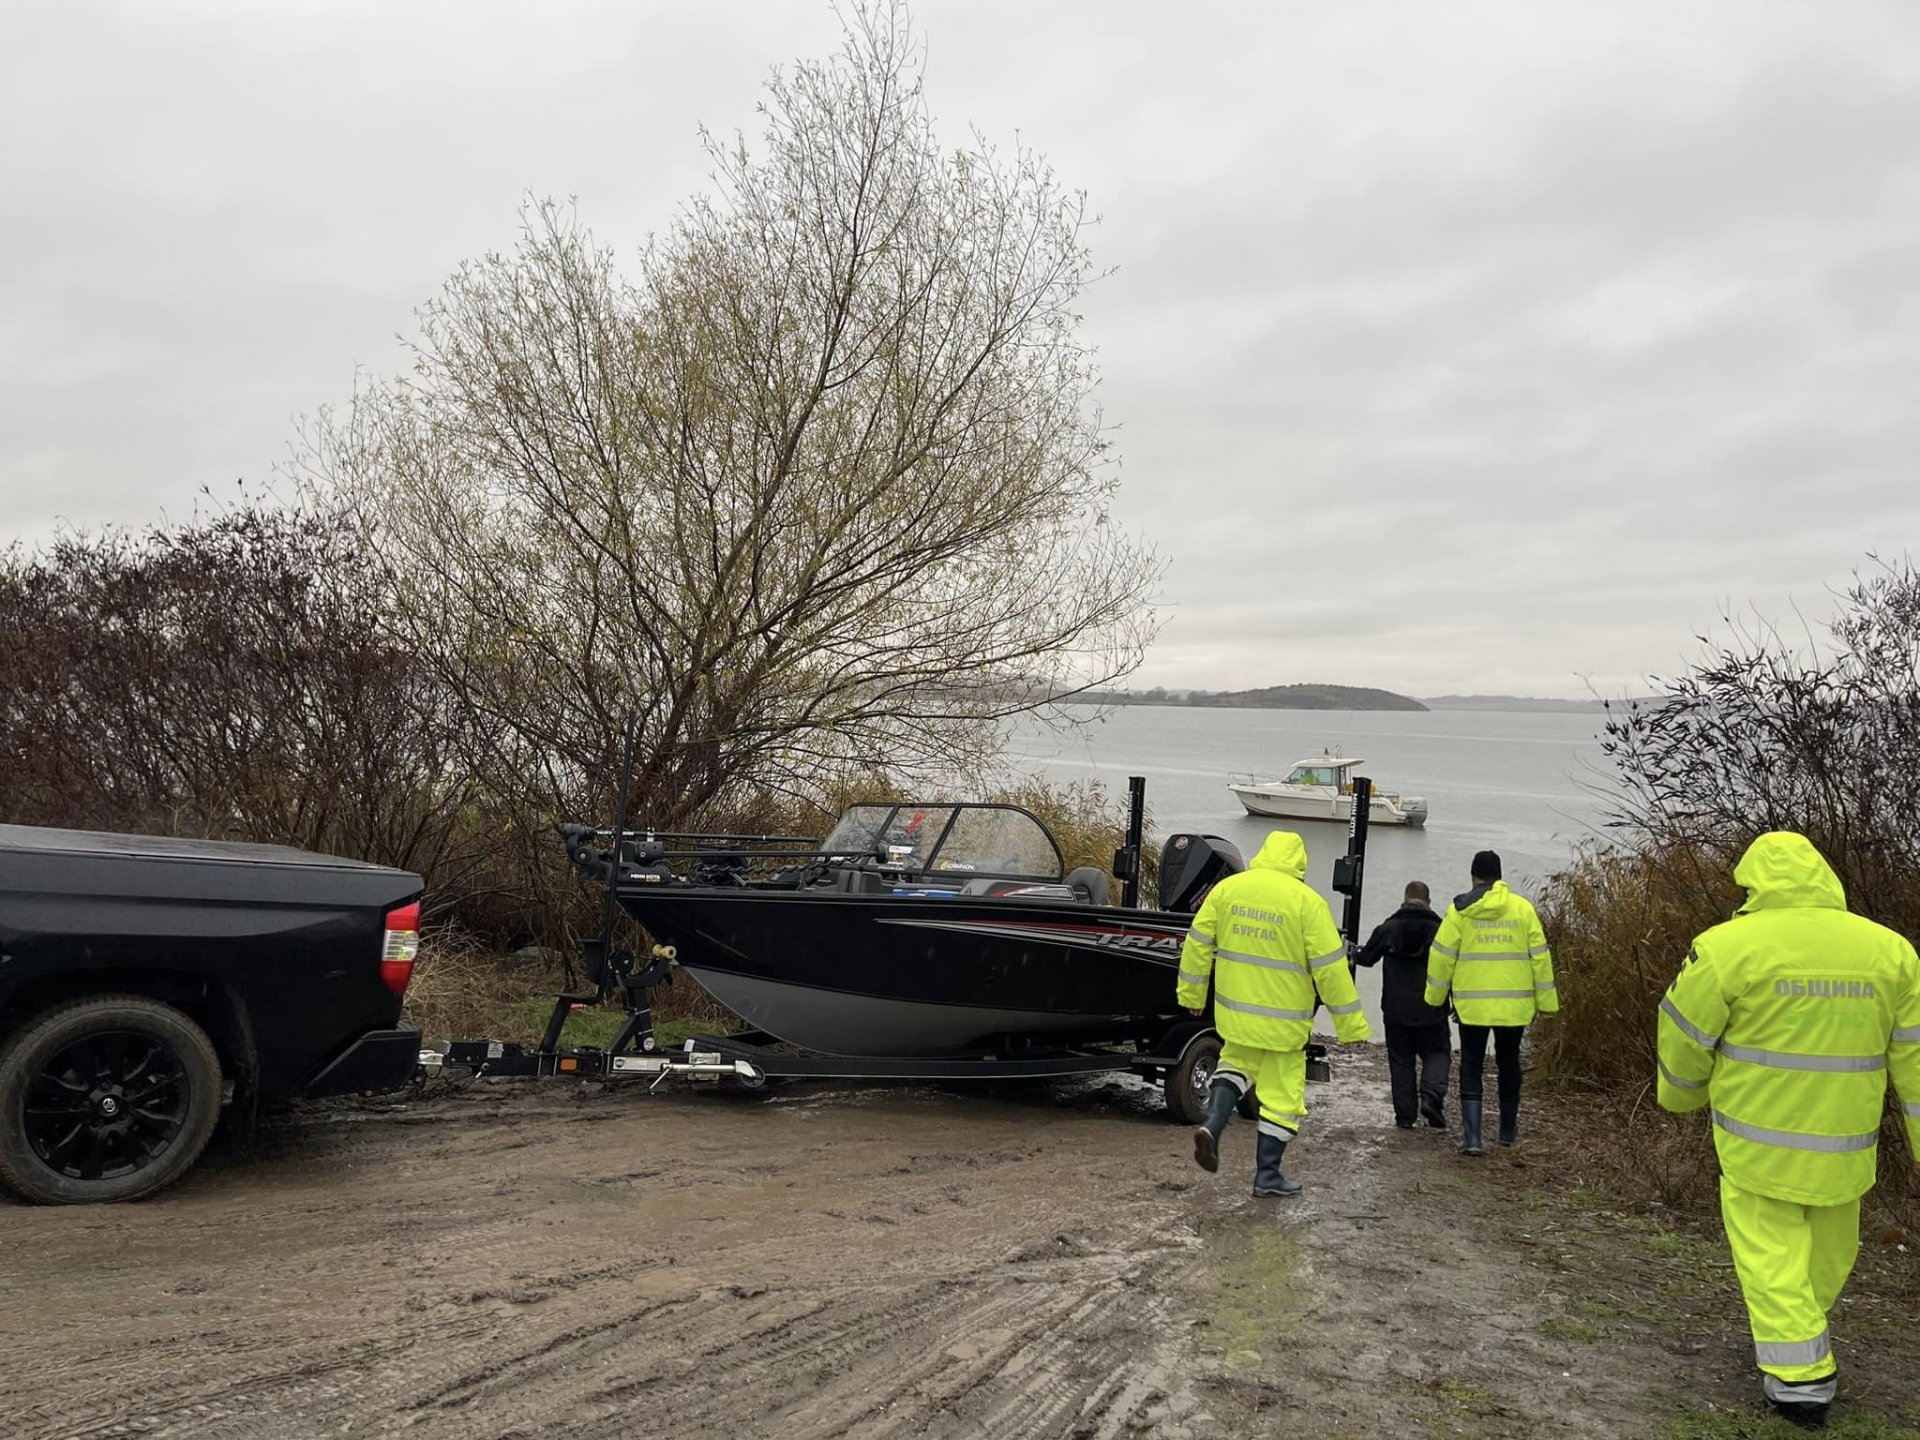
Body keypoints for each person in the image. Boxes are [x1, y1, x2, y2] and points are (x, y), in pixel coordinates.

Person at [1656, 831, 1920, 1429]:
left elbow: (1682, 1030)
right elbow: (1916, 1058)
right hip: (1846, 1147)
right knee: (1828, 1255)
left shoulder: (1726, 948)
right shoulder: (1891, 951)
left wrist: (1680, 1095)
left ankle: (1801, 1378)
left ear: (1753, 883)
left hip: (1758, 1143)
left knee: (1771, 1257)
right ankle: (1796, 1336)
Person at [1177, 830, 1372, 1197]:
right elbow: (1330, 969)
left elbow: (1197, 943)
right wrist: (1350, 1025)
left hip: (1235, 1014)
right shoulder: (1308, 903)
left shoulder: (1228, 890)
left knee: (1233, 1066)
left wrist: (1192, 993)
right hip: (1284, 1024)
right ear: (1300, 866)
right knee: (1283, 1098)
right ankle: (1267, 1175)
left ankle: (1214, 1124)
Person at [1423, 850, 1556, 1155]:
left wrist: (1435, 998)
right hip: (1514, 1005)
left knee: (1471, 1064)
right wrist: (1546, 1002)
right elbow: (1540, 957)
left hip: (1473, 1006)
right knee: (1509, 1062)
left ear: (1474, 876)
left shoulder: (1460, 910)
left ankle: (1472, 1139)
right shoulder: (1523, 909)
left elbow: (1442, 956)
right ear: (1500, 876)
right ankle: (1507, 1132)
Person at [1357, 879, 1449, 1129]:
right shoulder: (1442, 931)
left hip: (1396, 1009)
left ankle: (1405, 1116)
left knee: (1401, 1061)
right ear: (1428, 902)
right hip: (1433, 1007)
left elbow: (1365, 959)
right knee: (1437, 1054)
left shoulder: (1388, 928)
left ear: (1404, 899)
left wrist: (1350, 951)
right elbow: (1456, 967)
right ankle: (1431, 1097)